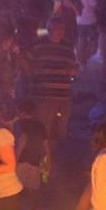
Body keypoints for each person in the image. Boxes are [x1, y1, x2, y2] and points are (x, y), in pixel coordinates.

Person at [26, 18, 78, 155]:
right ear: (49, 30)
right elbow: (27, 64)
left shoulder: (67, 46)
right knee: (44, 130)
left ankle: (55, 157)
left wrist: (73, 71)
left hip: (63, 96)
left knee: (60, 129)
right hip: (44, 96)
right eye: (57, 29)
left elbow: (74, 65)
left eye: (62, 29)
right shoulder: (38, 45)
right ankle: (43, 160)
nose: (60, 32)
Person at [13, 98, 49, 210]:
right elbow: (46, 147)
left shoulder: (19, 124)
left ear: (21, 112)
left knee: (15, 189)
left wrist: (14, 162)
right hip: (35, 162)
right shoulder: (40, 125)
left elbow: (22, 141)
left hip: (22, 161)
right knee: (32, 190)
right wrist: (48, 163)